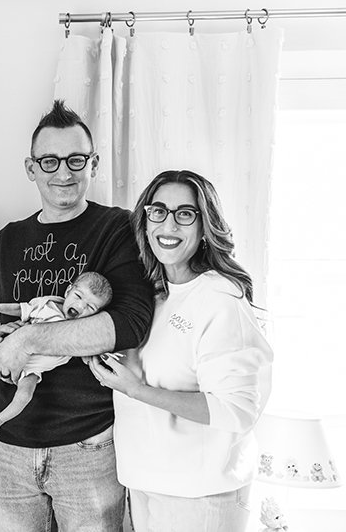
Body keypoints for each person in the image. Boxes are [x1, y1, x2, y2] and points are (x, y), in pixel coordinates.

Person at [0, 100, 154, 532]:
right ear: (32, 168)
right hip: (7, 448)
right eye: (50, 161)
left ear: (93, 163)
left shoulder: (118, 229)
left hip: (87, 448)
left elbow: (129, 324)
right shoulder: (6, 240)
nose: (63, 172)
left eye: (75, 159)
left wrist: (28, 341)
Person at [89, 170, 273, 532]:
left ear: (205, 227)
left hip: (201, 495)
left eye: (184, 214)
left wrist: (136, 389)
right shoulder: (153, 295)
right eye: (158, 211)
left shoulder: (220, 299)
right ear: (145, 220)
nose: (168, 224)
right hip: (146, 485)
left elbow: (235, 410)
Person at [0, 271, 113, 437]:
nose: (80, 306)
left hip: (33, 370)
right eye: (78, 296)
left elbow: (91, 352)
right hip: (7, 352)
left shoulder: (84, 328)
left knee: (24, 394)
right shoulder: (47, 305)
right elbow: (19, 307)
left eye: (90, 307)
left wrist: (101, 361)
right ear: (68, 292)